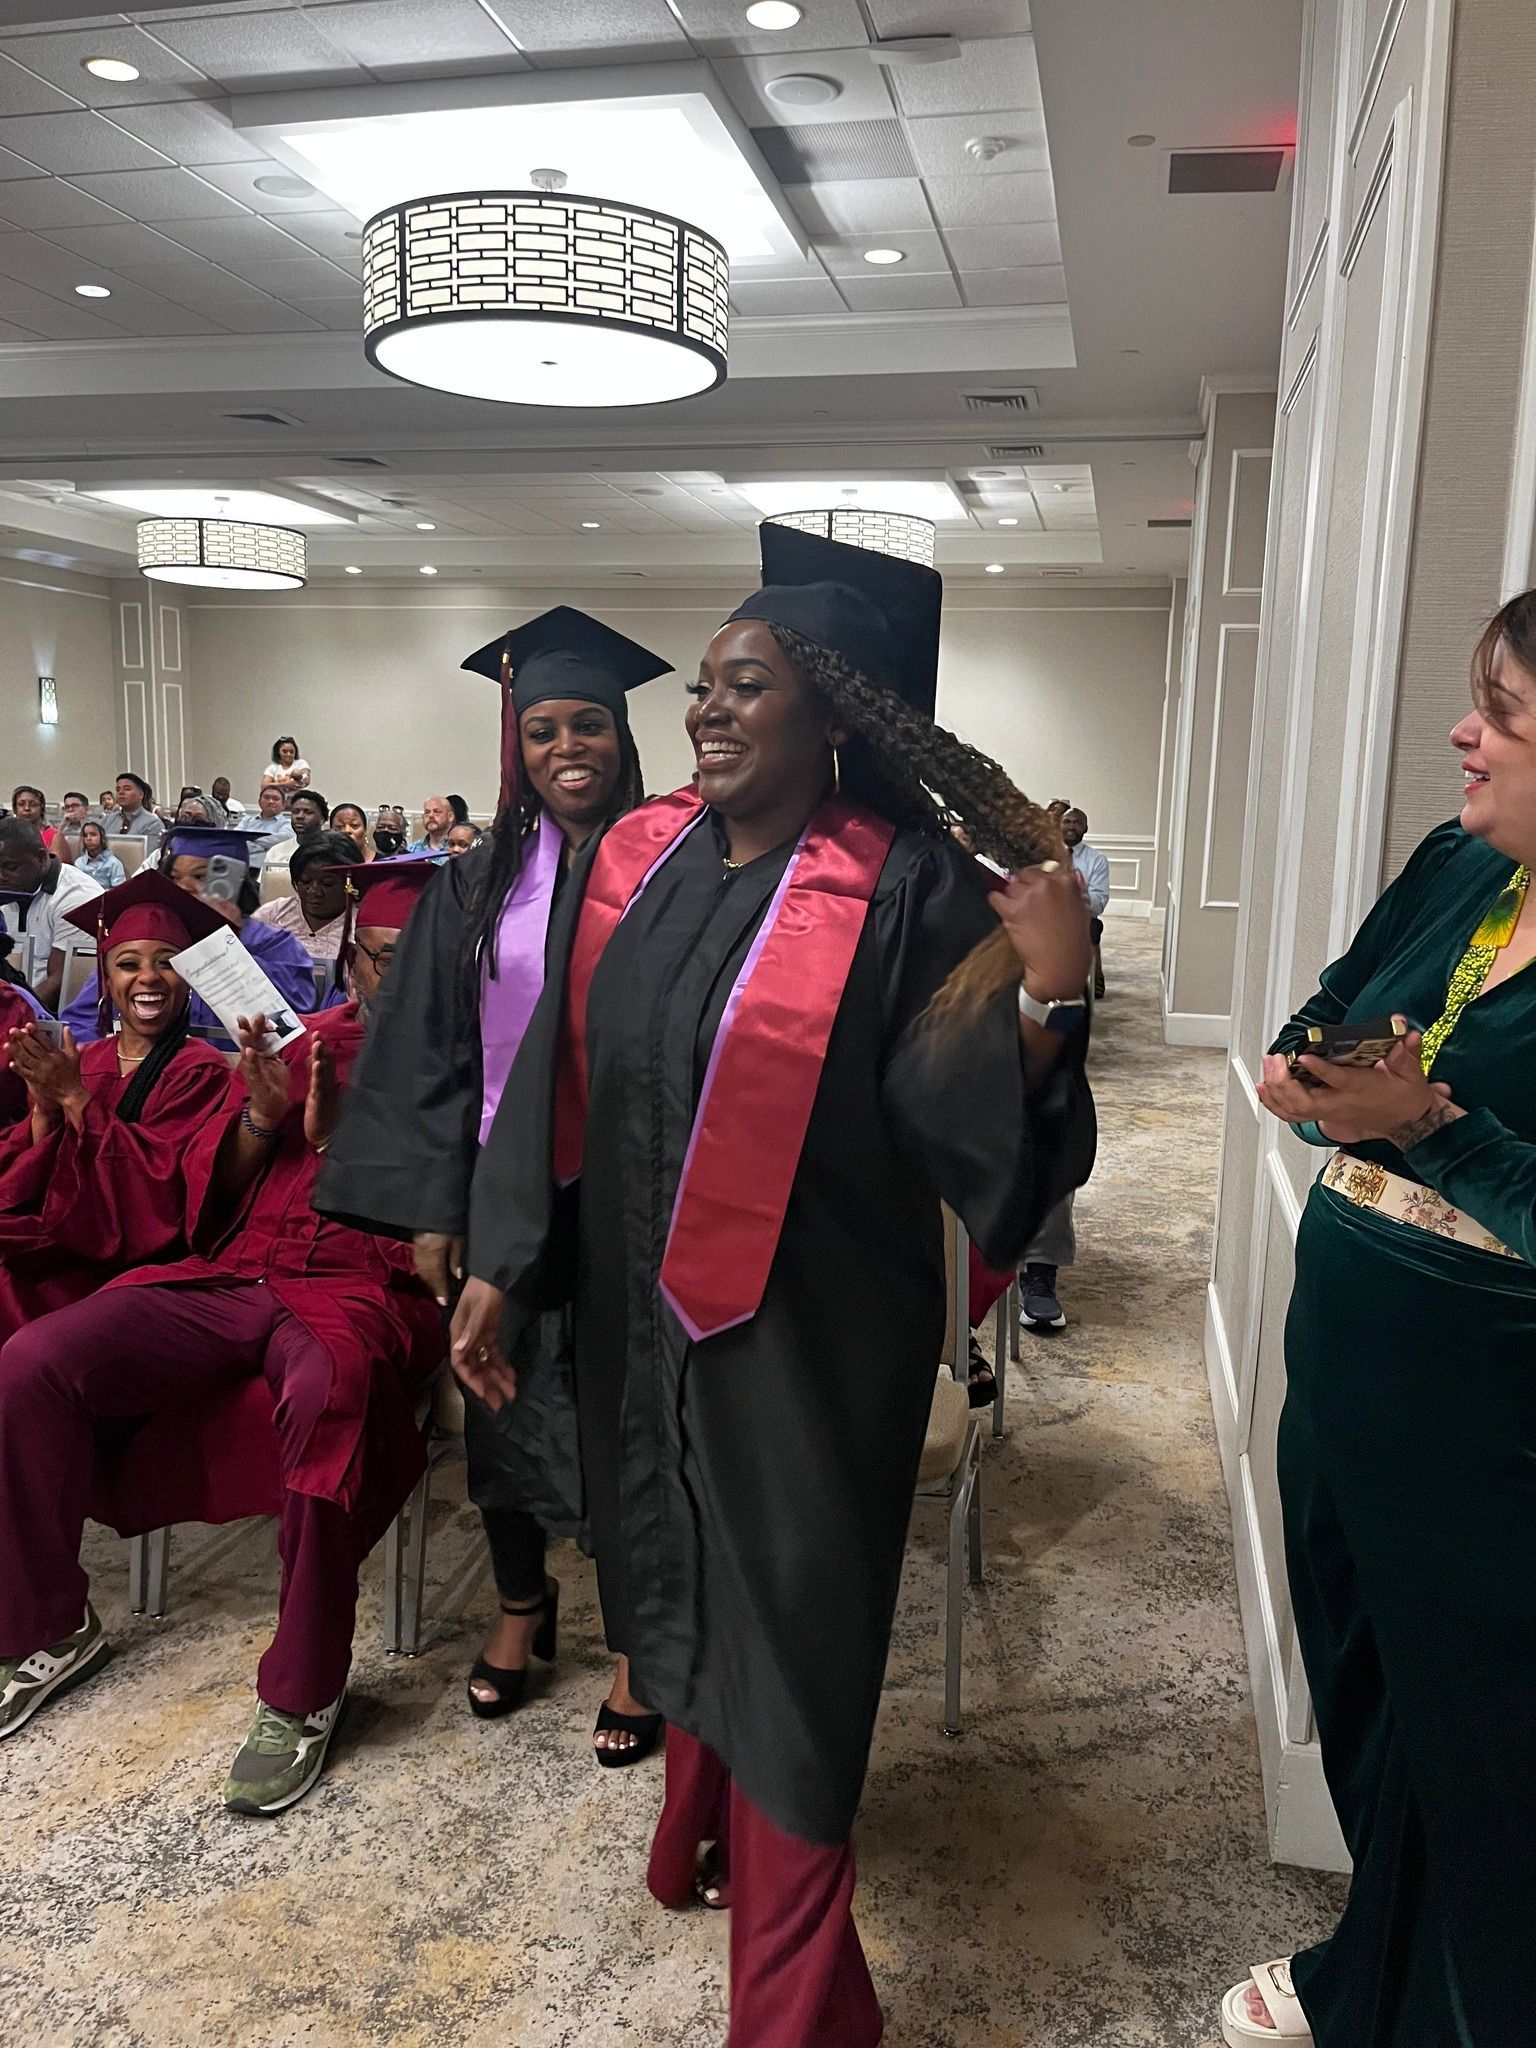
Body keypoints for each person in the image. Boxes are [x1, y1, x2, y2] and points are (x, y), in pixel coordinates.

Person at [449, 527, 1095, 2044]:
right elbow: (568, 1079)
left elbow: (966, 1123)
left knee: (793, 1647)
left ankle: (804, 2013)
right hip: (638, 1325)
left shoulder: (909, 891)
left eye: (747, 687)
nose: (706, 710)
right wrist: (503, 1258)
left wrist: (1052, 993)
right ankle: (695, 1831)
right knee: (668, 1584)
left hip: (804, 1343)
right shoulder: (651, 859)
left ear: (836, 720)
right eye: (707, 687)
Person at [1224, 588, 1536, 2048]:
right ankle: (1378, 1974)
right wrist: (1316, 1074)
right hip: (1349, 1349)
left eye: (1507, 714)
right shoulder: (1458, 865)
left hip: (1490, 1410)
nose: (1466, 733)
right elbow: (1335, 1006)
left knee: (1485, 1745)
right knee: (1363, 1680)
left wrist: (1432, 1127)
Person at [0, 860, 444, 1814]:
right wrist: (258, 1115)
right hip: (236, 1267)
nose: (390, 981)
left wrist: (335, 1148)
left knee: (331, 1401)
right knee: (32, 1363)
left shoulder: (485, 1068)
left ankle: (303, 1692)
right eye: (375, 960)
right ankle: (47, 1625)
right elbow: (217, 1185)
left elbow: (473, 1213)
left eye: (412, 960)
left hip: (359, 1284)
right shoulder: (300, 1039)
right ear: (352, 964)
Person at [317, 606, 664, 1745]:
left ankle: (635, 1638)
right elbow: (423, 1042)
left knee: (630, 1414)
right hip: (495, 1182)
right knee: (498, 1399)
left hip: (632, 1189)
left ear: (623, 734)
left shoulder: (675, 860)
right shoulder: (477, 882)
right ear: (515, 745)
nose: (569, 747)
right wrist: (432, 1206)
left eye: (591, 725)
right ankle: (523, 1603)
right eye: (544, 728)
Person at [0, 870, 235, 1344]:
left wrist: (75, 1098)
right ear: (106, 979)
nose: (148, 977)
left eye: (167, 962)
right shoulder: (85, 1059)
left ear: (188, 978)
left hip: (127, 1259)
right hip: (60, 1234)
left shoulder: (201, 1071)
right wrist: (44, 1111)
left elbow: (164, 1196)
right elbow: (32, 1179)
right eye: (128, 964)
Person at [60, 825, 315, 1047]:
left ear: (234, 881)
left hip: (240, 1077)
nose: (183, 888)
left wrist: (220, 945)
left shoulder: (272, 944)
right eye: (174, 877)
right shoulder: (146, 941)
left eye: (200, 877)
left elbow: (285, 1028)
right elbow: (82, 1021)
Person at [0, 819, 103, 1010]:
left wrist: (11, 1017)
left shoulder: (78, 897)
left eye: (10, 867)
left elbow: (60, 984)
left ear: (41, 858)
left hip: (50, 1017)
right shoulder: (12, 886)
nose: (0, 877)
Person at [251, 830, 361, 964]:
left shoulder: (361, 925)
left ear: (349, 884)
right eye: (305, 882)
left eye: (327, 884)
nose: (313, 891)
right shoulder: (272, 915)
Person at [1061, 806, 1109, 998]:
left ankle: (1087, 982)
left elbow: (1098, 902)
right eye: (1067, 822)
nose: (1072, 827)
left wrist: (1076, 896)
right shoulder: (1043, 854)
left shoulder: (1096, 860)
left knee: (1092, 928)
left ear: (1086, 828)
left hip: (1082, 919)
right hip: (1047, 917)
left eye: (1077, 823)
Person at [102, 773, 163, 851]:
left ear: (141, 795)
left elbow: (150, 855)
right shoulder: (107, 820)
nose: (121, 792)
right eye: (118, 790)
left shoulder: (152, 823)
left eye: (127, 789)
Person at [74, 819, 125, 890]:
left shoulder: (114, 863)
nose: (88, 838)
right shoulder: (79, 863)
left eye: (93, 835)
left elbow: (119, 891)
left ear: (102, 838)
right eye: (85, 835)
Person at [248, 784, 295, 850]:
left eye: (275, 799)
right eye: (266, 798)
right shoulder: (247, 822)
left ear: (283, 804)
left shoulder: (289, 824)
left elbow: (284, 839)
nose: (270, 801)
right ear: (259, 802)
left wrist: (247, 842)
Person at [55, 792, 91, 863]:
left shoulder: (96, 826)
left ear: (86, 809)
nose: (70, 809)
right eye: (67, 807)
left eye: (75, 806)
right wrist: (62, 826)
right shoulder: (59, 827)